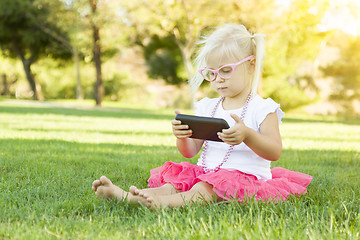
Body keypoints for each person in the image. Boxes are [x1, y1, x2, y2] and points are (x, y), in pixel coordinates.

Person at [92, 23, 312, 209]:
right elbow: (190, 152)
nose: (218, 80)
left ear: (251, 64)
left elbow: (274, 151)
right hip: (205, 172)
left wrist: (247, 135)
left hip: (244, 178)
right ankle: (131, 196)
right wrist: (183, 135)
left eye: (225, 70)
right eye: (211, 74)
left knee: (202, 189)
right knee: (176, 184)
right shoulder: (208, 106)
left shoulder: (262, 108)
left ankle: (160, 204)